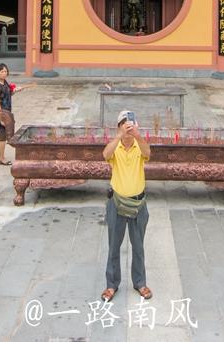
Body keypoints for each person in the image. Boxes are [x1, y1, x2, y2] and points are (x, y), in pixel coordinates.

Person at [101, 109, 152, 303]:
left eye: (130, 123)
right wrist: (118, 137)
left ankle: (140, 282)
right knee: (114, 245)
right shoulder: (116, 148)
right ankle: (111, 284)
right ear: (119, 126)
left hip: (138, 203)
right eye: (124, 123)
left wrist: (138, 136)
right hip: (117, 202)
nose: (128, 127)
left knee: (138, 245)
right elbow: (105, 155)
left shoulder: (140, 146)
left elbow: (148, 153)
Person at [0, 63, 32, 165]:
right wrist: (0, 117)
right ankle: (1, 158)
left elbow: (8, 93)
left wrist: (16, 90)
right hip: (0, 112)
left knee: (2, 133)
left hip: (6, 111)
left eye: (5, 71)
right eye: (2, 72)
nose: (4, 73)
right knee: (3, 135)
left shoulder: (4, 82)